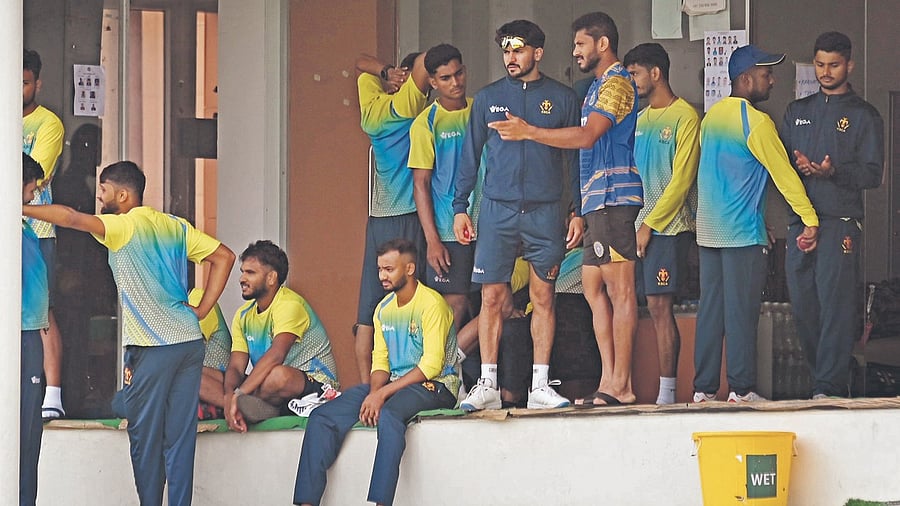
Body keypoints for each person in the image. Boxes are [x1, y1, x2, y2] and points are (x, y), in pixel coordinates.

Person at [23, 160, 235, 506]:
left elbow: (71, 218)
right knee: (180, 438)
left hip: (154, 346)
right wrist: (202, 309)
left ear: (123, 194)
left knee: (145, 436)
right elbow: (225, 257)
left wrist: (18, 206)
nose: (99, 196)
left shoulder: (122, 226)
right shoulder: (174, 225)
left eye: (103, 190)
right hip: (188, 342)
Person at [488, 12, 641, 407]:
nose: (574, 52)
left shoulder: (616, 83)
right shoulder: (594, 87)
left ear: (602, 44)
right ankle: (609, 379)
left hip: (614, 198)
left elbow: (588, 136)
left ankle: (620, 385)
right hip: (595, 202)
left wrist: (530, 132)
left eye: (580, 44)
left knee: (620, 290)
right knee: (593, 286)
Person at [453, 19, 582, 411]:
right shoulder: (487, 98)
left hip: (545, 211)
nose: (511, 57)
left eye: (519, 49)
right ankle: (487, 383)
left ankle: (540, 385)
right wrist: (460, 208)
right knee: (492, 297)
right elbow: (469, 157)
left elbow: (574, 158)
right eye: (506, 50)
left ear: (537, 53)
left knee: (544, 297)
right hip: (497, 210)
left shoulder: (561, 98)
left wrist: (576, 210)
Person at [692, 45, 819, 404]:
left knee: (711, 311)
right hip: (741, 234)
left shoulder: (712, 117)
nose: (772, 80)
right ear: (746, 79)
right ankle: (741, 388)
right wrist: (809, 219)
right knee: (742, 312)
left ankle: (702, 389)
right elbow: (785, 177)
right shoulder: (757, 122)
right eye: (766, 74)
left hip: (709, 232)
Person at [293, 239, 458, 506]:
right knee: (323, 417)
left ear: (410, 269)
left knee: (390, 415)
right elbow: (380, 361)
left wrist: (381, 396)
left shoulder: (431, 304)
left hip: (435, 385)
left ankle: (381, 502)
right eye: (380, 269)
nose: (382, 275)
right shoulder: (383, 308)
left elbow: (431, 365)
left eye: (389, 269)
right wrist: (373, 393)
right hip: (393, 385)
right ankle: (306, 501)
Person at [781, 32, 884, 399]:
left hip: (839, 222)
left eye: (834, 65)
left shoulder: (864, 115)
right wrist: (801, 171)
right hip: (801, 224)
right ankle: (821, 380)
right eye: (820, 64)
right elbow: (781, 169)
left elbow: (872, 174)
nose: (826, 72)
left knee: (836, 306)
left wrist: (831, 171)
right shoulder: (798, 111)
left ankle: (829, 386)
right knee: (805, 307)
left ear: (849, 65)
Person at [623, 43, 701, 404]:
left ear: (656, 73)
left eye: (636, 73)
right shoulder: (637, 120)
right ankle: (619, 386)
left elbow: (681, 181)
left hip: (667, 230)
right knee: (622, 302)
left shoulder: (685, 116)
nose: (632, 81)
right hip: (632, 227)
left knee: (658, 306)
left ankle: (667, 392)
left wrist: (649, 225)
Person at [354, 51, 432, 384]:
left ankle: (363, 388)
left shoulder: (372, 110)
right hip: (410, 217)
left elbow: (361, 65)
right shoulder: (409, 107)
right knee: (422, 302)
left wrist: (388, 71)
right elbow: (427, 62)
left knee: (367, 314)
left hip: (378, 220)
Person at [224, 240, 340, 430]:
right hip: (268, 388)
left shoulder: (289, 304)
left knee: (277, 376)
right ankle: (258, 407)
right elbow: (236, 366)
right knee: (210, 377)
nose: (242, 279)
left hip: (316, 384)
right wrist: (230, 394)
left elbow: (277, 355)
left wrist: (241, 393)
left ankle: (253, 406)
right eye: (242, 272)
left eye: (250, 273)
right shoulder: (243, 315)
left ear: (271, 278)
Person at [409, 43, 481, 332]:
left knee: (495, 302)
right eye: (446, 78)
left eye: (459, 73)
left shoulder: (482, 110)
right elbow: (421, 184)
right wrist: (433, 240)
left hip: (489, 223)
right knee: (455, 304)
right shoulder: (425, 123)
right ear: (433, 82)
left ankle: (470, 372)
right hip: (450, 230)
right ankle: (444, 374)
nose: (456, 82)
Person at [23, 48, 67, 420]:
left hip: (36, 230)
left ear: (37, 83)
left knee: (42, 308)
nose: (17, 89)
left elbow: (36, 175)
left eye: (23, 82)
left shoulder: (47, 124)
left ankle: (52, 391)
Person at [20, 154, 48, 506]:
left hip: (31, 333)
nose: (35, 195)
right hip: (19, 336)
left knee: (31, 431)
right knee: (22, 426)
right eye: (32, 187)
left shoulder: (25, 225)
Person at [190, 288, 233, 418]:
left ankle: (236, 408)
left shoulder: (197, 298)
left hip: (219, 383)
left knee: (182, 375)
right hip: (201, 385)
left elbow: (186, 348)